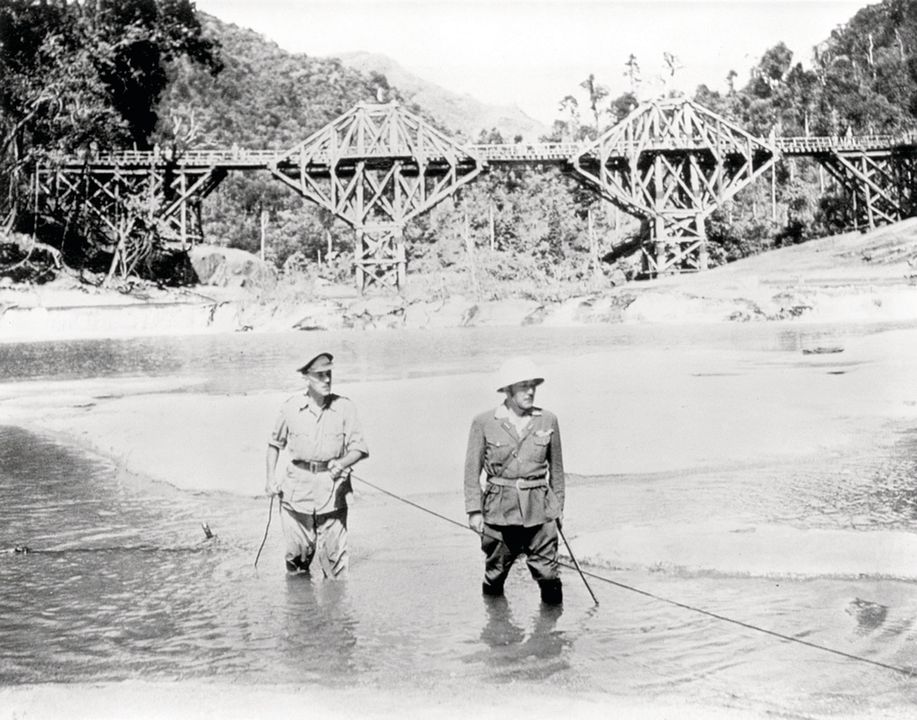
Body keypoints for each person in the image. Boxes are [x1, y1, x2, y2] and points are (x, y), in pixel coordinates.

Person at [463, 356, 565, 605]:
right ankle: (497, 629)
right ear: (507, 390)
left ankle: (551, 634)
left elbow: (558, 472)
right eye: (523, 386)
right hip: (499, 513)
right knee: (495, 573)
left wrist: (558, 510)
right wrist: (474, 511)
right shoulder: (484, 422)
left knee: (548, 574)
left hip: (540, 512)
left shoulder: (547, 420)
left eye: (533, 385)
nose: (530, 391)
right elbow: (471, 471)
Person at [265, 352, 368, 577]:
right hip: (296, 493)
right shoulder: (290, 408)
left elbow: (359, 449)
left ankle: (337, 610)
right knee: (297, 560)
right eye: (320, 376)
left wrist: (342, 462)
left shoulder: (344, 407)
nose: (327, 380)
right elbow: (274, 445)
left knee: (336, 565)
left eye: (329, 374)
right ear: (306, 378)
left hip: (333, 492)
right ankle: (301, 609)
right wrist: (270, 479)